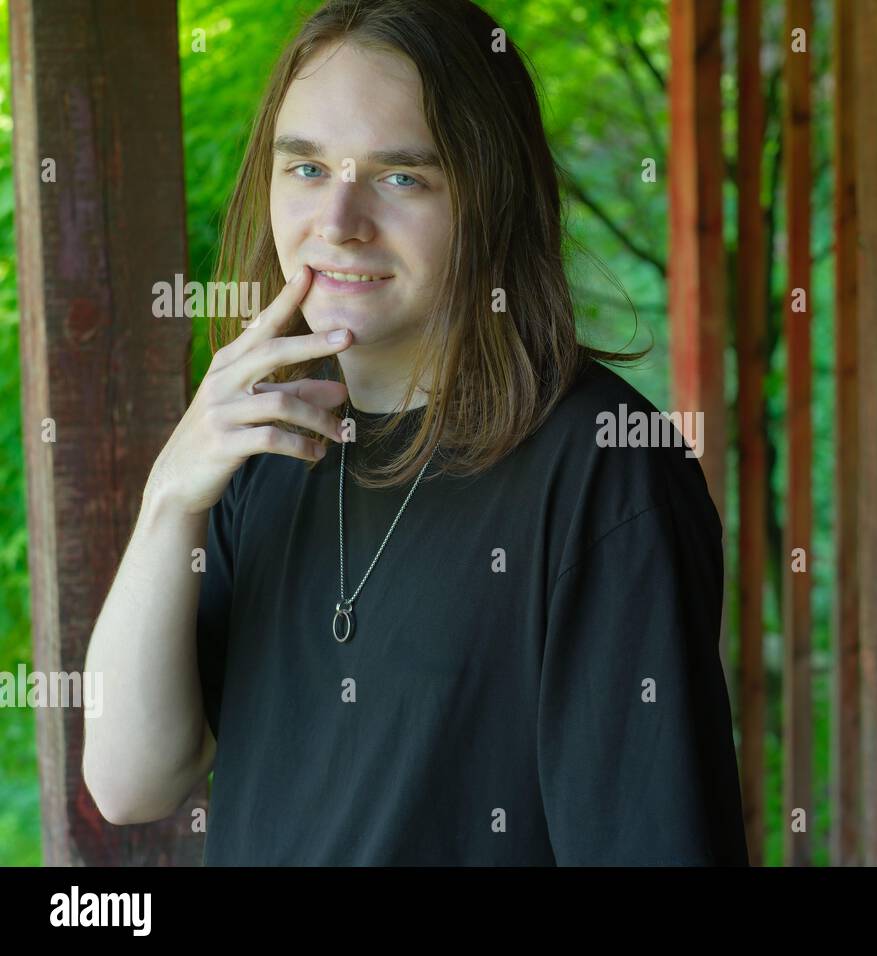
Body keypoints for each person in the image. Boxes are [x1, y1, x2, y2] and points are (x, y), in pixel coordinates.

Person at [82, 0, 748, 866]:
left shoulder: (606, 467)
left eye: (403, 177)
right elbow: (132, 782)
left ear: (492, 195)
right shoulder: (264, 437)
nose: (339, 222)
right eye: (308, 168)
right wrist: (170, 499)